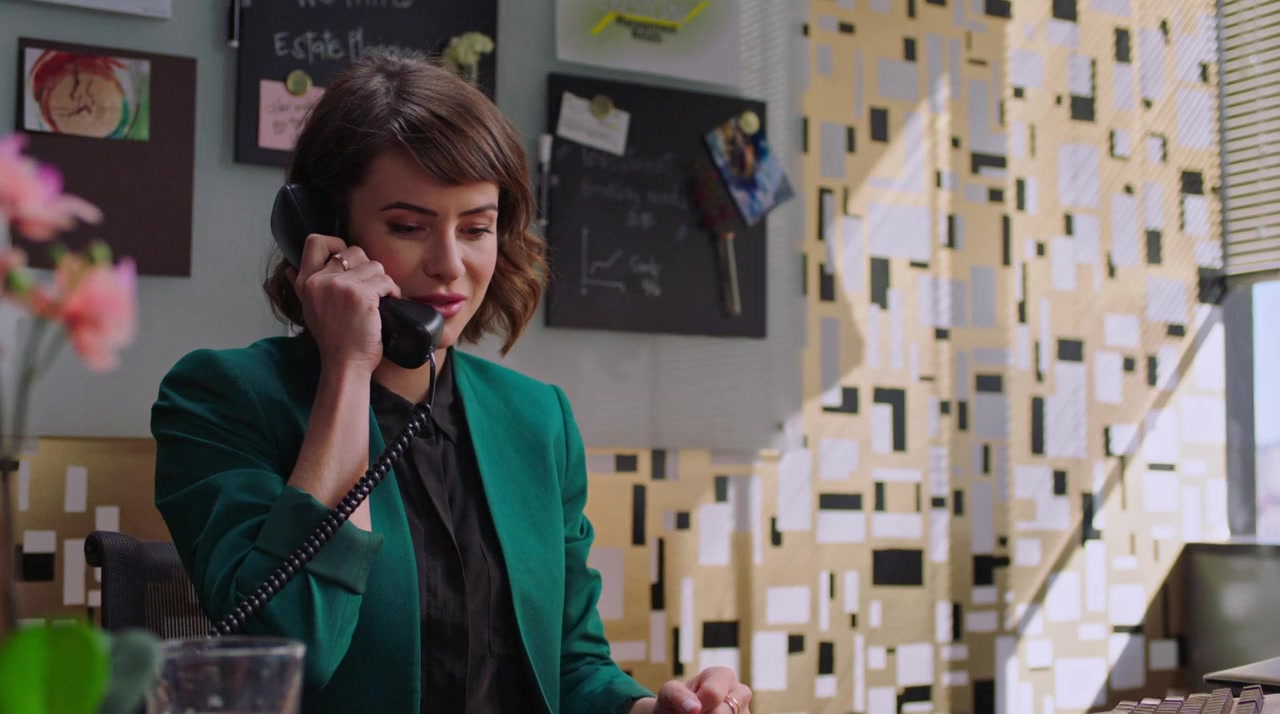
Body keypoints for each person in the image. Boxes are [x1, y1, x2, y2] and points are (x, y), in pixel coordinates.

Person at [150, 50, 752, 714]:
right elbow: (288, 653)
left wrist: (650, 711)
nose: (449, 264)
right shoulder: (220, 398)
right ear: (325, 233)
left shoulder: (538, 419)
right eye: (408, 227)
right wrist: (347, 373)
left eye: (476, 229)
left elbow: (571, 667)